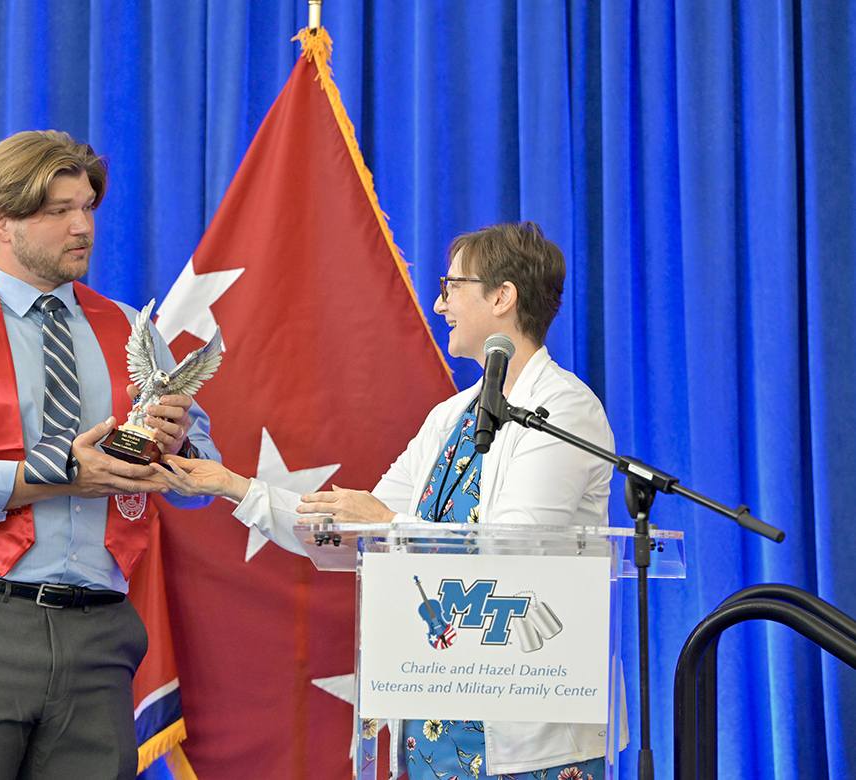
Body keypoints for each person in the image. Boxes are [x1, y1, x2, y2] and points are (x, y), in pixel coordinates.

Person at [163, 222, 624, 779]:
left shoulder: (563, 409)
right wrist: (229, 485)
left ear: (502, 297)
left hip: (527, 729)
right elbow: (348, 532)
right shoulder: (451, 417)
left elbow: (515, 556)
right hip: (435, 714)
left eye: (452, 285)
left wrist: (390, 522)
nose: (439, 301)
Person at [0, 129, 218, 780]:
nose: (81, 226)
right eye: (58, 211)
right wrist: (57, 473)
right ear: (1, 221)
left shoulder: (132, 333)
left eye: (87, 206)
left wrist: (178, 445)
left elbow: (197, 478)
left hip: (100, 630)